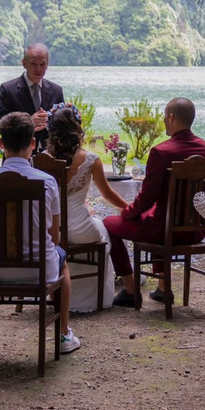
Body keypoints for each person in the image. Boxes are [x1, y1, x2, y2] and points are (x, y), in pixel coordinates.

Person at [0, 112, 81, 353]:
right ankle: (64, 334)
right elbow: (54, 238)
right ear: (33, 143)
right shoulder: (46, 182)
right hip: (39, 271)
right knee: (62, 261)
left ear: (1, 144)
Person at [104, 97, 205, 307]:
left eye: (165, 116)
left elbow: (147, 198)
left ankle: (130, 289)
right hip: (195, 229)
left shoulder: (161, 152)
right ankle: (163, 288)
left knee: (109, 224)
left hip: (163, 230)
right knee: (157, 213)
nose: (164, 120)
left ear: (171, 118)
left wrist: (126, 213)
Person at [45, 104, 128, 312]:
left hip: (49, 230)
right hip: (80, 229)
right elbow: (107, 194)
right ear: (78, 129)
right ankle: (94, 299)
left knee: (95, 225)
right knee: (104, 229)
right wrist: (128, 207)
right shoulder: (90, 159)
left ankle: (59, 295)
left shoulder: (41, 159)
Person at [0, 43, 65, 151]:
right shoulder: (8, 89)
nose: (38, 69)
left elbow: (63, 125)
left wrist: (49, 120)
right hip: (17, 154)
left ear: (47, 64)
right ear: (24, 63)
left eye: (42, 64)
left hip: (50, 157)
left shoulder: (56, 90)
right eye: (34, 64)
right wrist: (28, 122)